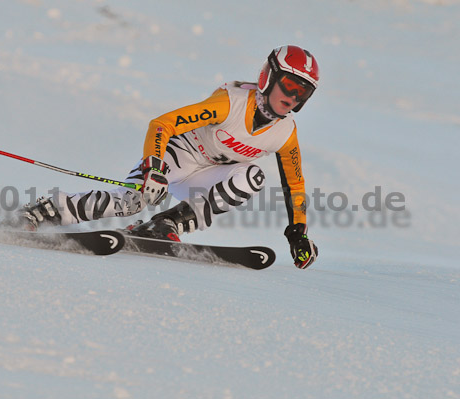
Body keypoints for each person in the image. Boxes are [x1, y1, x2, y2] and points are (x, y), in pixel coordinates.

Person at [21, 45, 319, 269]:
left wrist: (298, 233)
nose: (293, 97)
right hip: (176, 157)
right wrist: (154, 167)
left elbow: (295, 185)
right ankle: (44, 212)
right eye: (290, 85)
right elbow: (162, 124)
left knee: (252, 176)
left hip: (207, 175)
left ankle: (165, 224)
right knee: (130, 203)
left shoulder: (285, 133)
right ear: (269, 78)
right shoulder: (231, 103)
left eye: (302, 92)